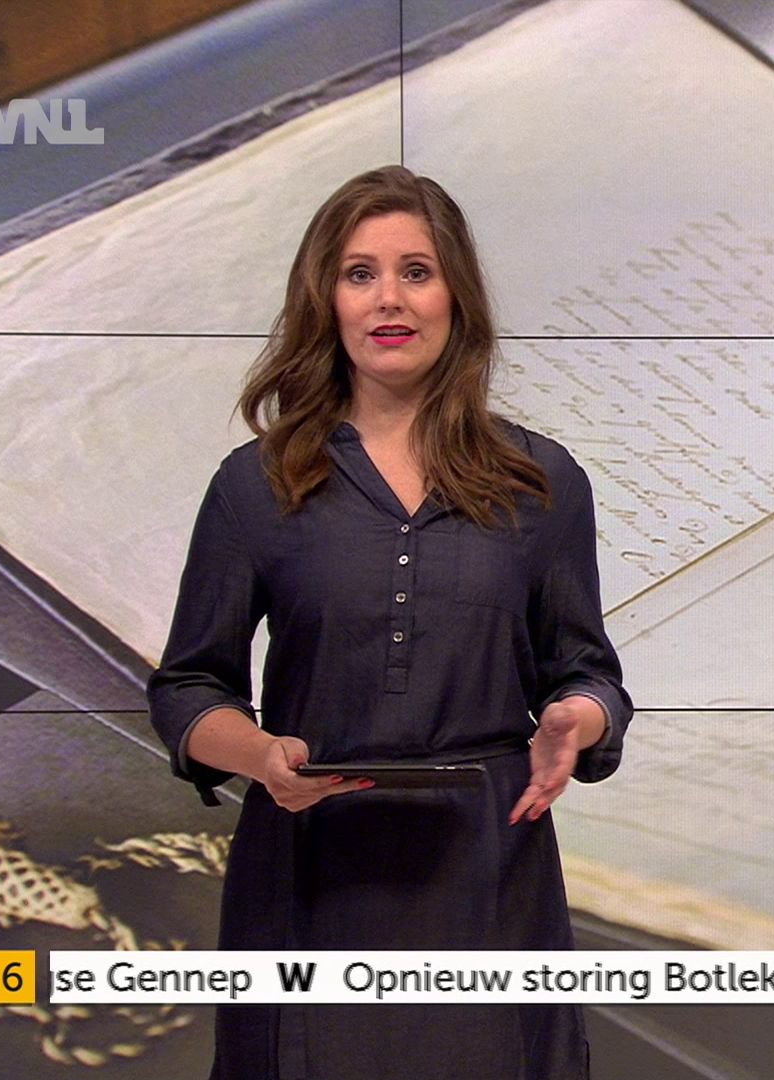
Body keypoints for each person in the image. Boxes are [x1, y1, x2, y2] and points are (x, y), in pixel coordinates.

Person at [147, 164, 631, 1080]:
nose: (389, 300)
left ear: (456, 296)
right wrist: (261, 756)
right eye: (359, 274)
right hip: (312, 864)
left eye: (417, 271)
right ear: (326, 300)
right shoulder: (255, 484)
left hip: (488, 867)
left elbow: (587, 671)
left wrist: (578, 718)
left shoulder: (542, 481)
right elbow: (188, 687)